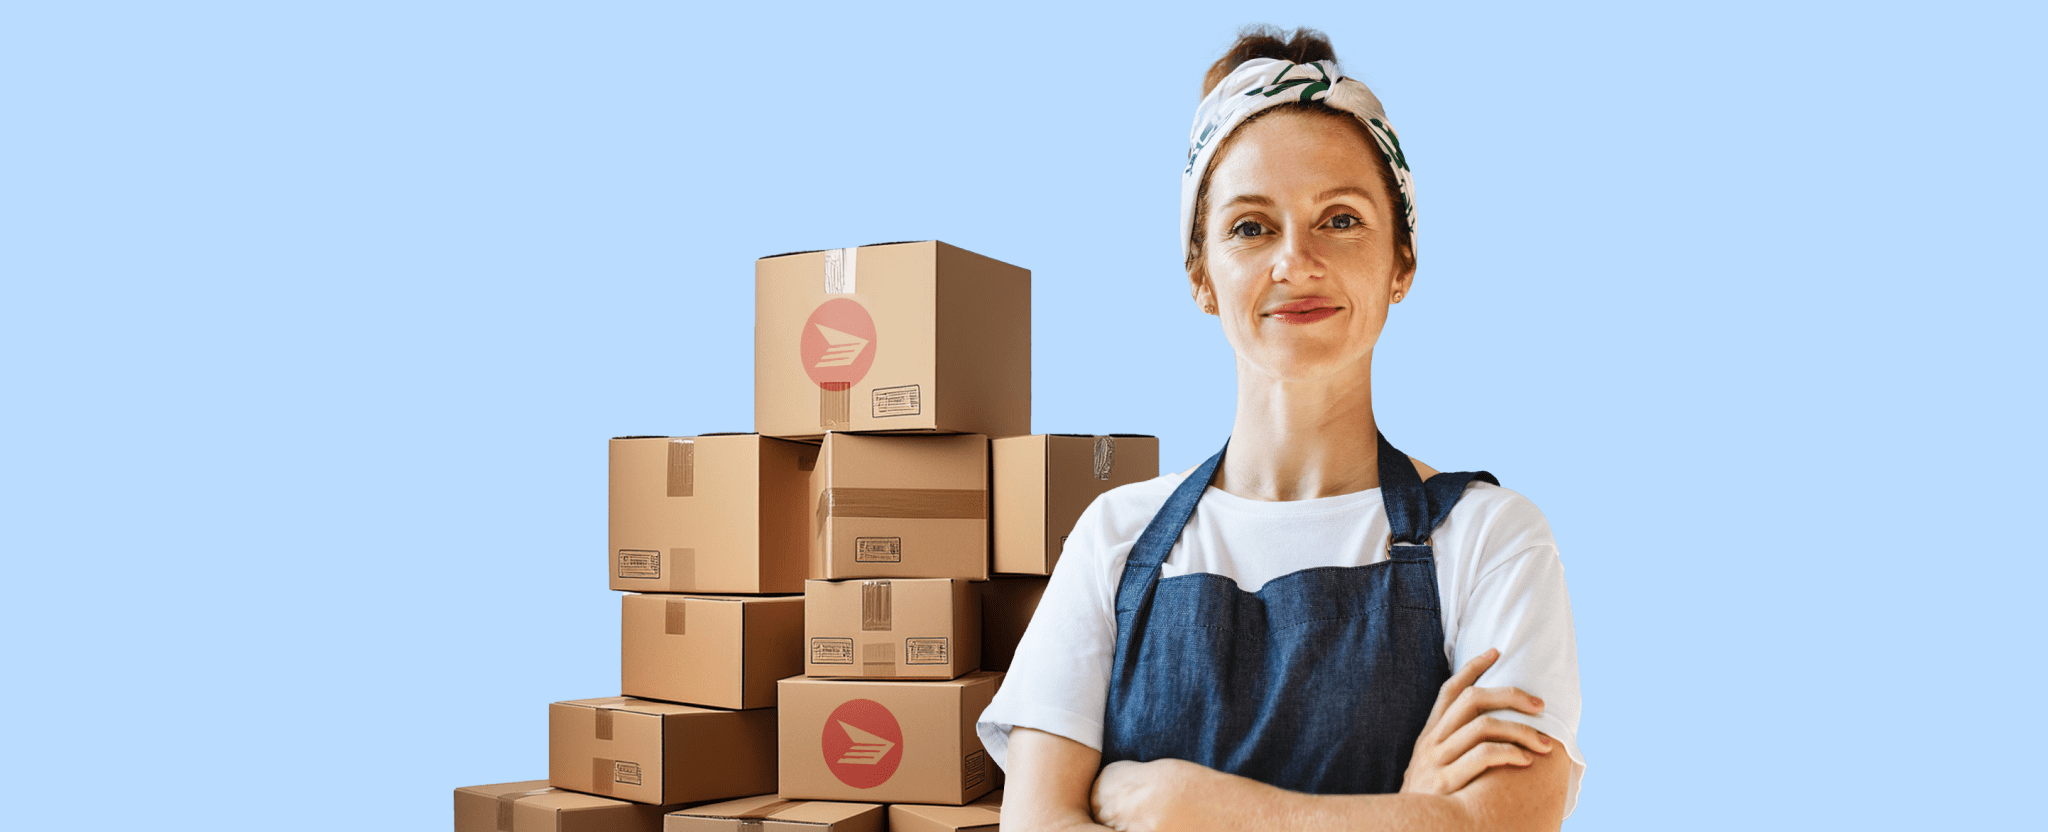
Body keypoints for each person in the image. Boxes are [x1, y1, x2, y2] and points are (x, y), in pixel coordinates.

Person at [975, 26, 1586, 832]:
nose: (1295, 261)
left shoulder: (1490, 539)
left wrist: (1193, 807)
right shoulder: (1115, 542)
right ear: (1201, 275)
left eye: (1340, 219)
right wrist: (1409, 813)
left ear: (1402, 261)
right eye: (1250, 227)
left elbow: (1504, 825)